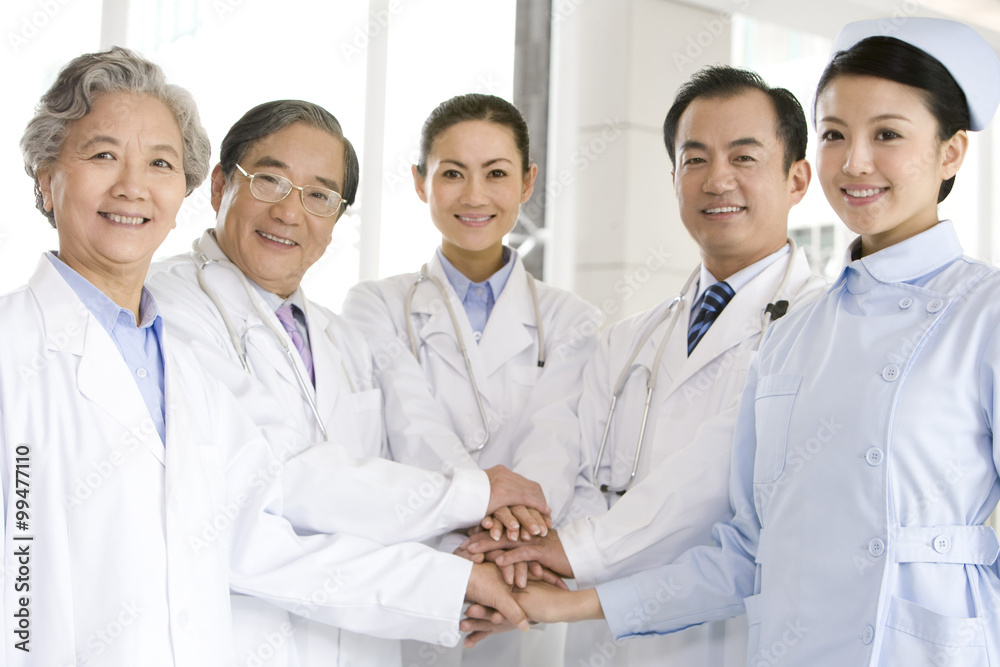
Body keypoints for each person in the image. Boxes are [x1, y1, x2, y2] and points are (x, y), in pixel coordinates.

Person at [495, 16, 1000, 666]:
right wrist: (562, 603)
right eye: (835, 135)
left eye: (888, 135)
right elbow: (744, 554)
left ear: (952, 151)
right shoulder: (795, 338)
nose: (855, 162)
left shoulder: (983, 311)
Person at [5, 47, 533, 666]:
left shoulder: (175, 361)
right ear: (46, 175)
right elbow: (22, 580)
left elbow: (251, 538)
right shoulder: (39, 343)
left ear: (183, 189)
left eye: (160, 163)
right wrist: (472, 501)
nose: (132, 186)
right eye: (102, 155)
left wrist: (453, 584)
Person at [146, 99, 554, 666]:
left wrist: (472, 558)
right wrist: (474, 499)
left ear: (336, 220)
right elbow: (281, 480)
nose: (291, 212)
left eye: (319, 195)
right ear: (219, 186)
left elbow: (387, 489)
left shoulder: (342, 340)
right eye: (269, 180)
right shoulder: (165, 309)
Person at [461, 66, 828, 666]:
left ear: (797, 179)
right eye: (695, 159)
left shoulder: (821, 329)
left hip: (729, 639)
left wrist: (571, 552)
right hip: (599, 635)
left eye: (744, 157)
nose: (718, 180)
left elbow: (710, 485)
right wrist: (527, 561)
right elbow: (579, 472)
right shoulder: (631, 339)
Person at [341, 93, 604, 666]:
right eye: (453, 173)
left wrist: (504, 548)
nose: (475, 195)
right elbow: (412, 429)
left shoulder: (573, 319)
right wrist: (485, 522)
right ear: (419, 182)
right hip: (428, 574)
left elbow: (556, 445)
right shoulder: (375, 305)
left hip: (524, 581)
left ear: (528, 182)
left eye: (497, 174)